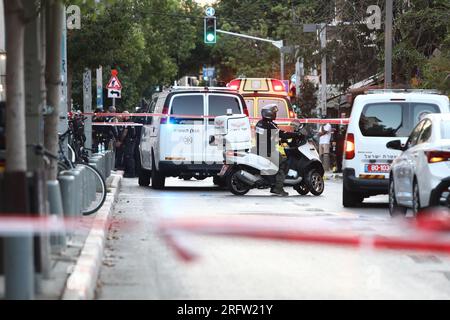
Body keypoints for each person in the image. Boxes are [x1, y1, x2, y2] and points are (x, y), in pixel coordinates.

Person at [256, 104, 298, 197]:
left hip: (260, 149)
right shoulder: (270, 125)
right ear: (269, 114)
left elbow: (270, 135)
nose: (276, 115)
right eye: (274, 113)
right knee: (284, 163)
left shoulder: (259, 123)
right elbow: (282, 134)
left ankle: (272, 181)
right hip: (268, 151)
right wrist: (295, 134)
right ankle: (278, 188)